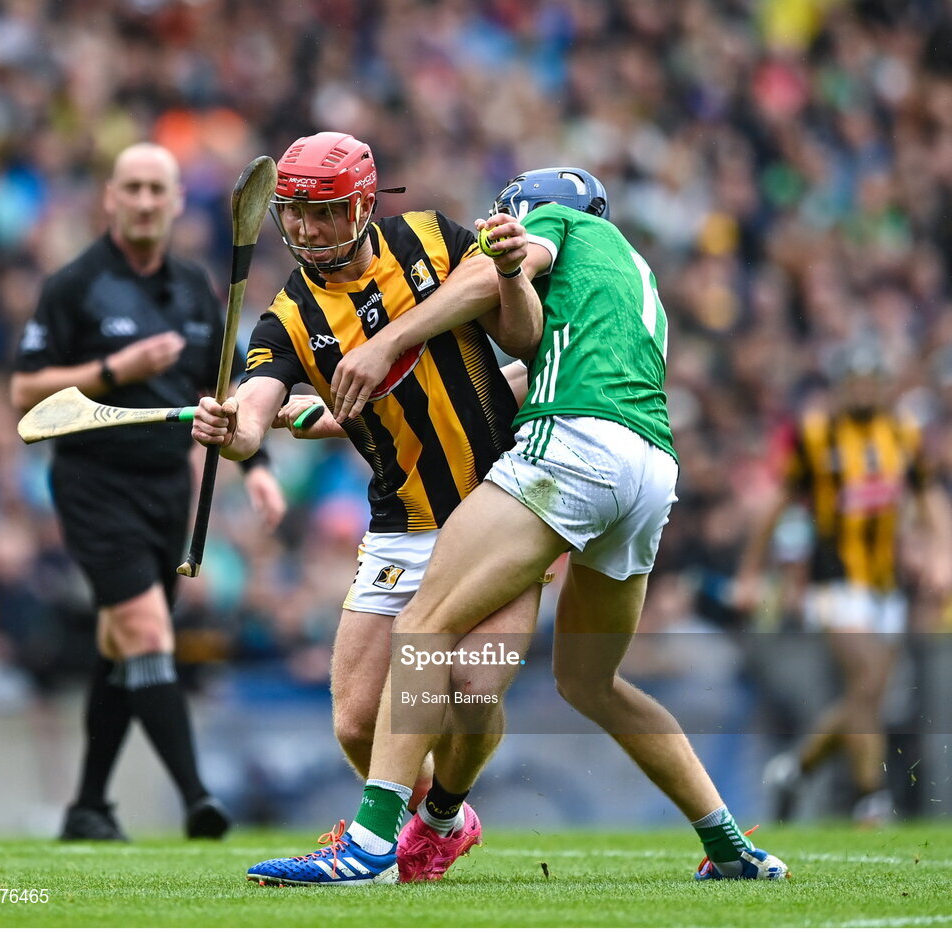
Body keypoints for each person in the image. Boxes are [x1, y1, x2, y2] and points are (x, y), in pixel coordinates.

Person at [246, 167, 789, 885]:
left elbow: (494, 285)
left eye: (509, 214)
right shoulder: (628, 271)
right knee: (592, 681)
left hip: (572, 451)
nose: (499, 224)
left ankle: (371, 847)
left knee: (421, 626)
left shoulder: (557, 225)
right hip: (649, 468)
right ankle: (731, 847)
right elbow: (529, 371)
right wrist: (323, 412)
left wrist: (391, 338)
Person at [191, 131, 541, 882]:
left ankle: (431, 818)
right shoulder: (286, 314)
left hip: (495, 506)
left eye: (323, 213)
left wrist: (400, 336)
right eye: (294, 214)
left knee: (473, 689)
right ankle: (436, 821)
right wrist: (231, 430)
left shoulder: (430, 238)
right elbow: (256, 407)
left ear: (362, 205)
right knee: (355, 720)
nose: (308, 230)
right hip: (399, 523)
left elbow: (518, 327)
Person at [10, 142, 286, 842]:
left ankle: (88, 807)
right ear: (110, 197)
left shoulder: (195, 288)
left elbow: (223, 395)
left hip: (169, 487)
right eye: (129, 187)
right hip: (94, 482)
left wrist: (254, 467)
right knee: (147, 632)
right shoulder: (74, 285)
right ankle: (199, 800)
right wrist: (115, 367)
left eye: (154, 190)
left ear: (171, 202)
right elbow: (24, 392)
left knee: (122, 644)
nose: (141, 201)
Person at [734, 340, 952, 825]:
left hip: (886, 584)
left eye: (871, 380)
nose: (863, 389)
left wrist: (942, 553)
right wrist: (751, 573)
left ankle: (795, 768)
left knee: (867, 693)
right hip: (834, 582)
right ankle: (870, 800)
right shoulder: (818, 435)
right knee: (869, 680)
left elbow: (929, 494)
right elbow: (777, 506)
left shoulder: (902, 434)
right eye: (854, 381)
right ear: (840, 386)